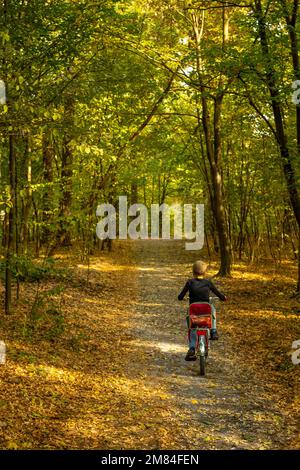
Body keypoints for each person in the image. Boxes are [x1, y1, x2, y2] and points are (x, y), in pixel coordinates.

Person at [178, 260, 227, 361]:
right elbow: (218, 293)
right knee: (212, 309)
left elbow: (181, 296)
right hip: (206, 309)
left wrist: (181, 298)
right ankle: (213, 330)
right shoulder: (208, 283)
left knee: (191, 327)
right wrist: (223, 297)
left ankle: (192, 348)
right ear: (205, 273)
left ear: (193, 272)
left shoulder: (189, 282)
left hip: (194, 310)